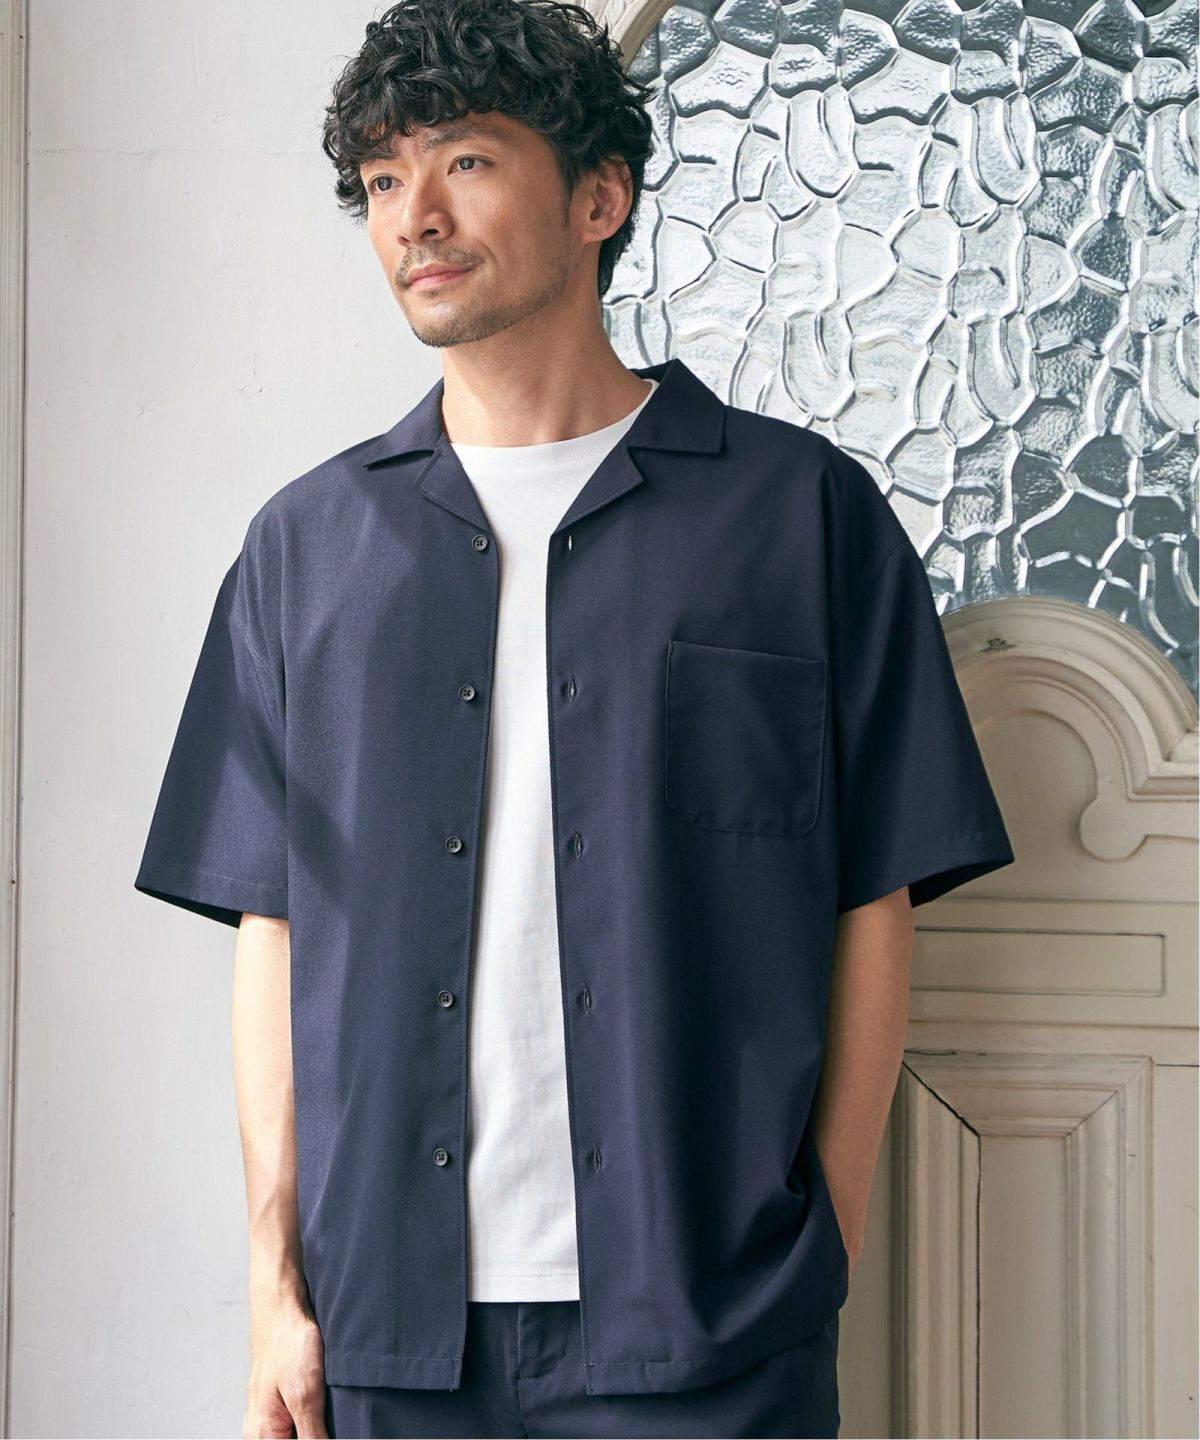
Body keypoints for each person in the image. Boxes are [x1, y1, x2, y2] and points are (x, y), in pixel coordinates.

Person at [134, 1, 1016, 1436]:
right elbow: (272, 927)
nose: (413, 216)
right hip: (387, 1335)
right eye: (380, 179)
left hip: (710, 1329)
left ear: (599, 198)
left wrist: (826, 1242)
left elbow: (875, 895)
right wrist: (271, 1286)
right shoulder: (307, 550)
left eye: (466, 162)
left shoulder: (800, 518)